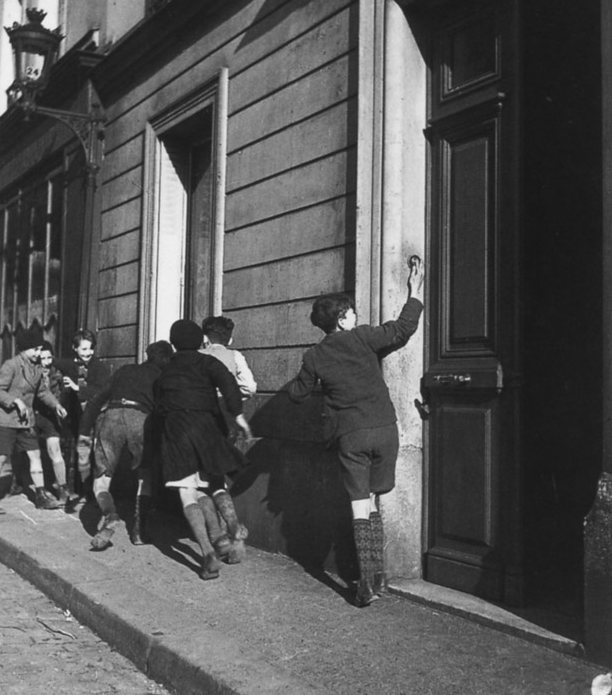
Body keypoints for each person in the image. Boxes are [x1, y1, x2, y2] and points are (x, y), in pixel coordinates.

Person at [287, 256, 424, 607]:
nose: (355, 315)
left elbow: (297, 394)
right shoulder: (364, 338)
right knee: (377, 500)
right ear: (342, 319)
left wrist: (318, 381)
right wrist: (415, 292)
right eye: (350, 312)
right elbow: (401, 330)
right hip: (384, 428)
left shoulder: (314, 355)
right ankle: (380, 578)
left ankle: (366, 583)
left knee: (359, 506)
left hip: (350, 435)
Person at [154, 319, 253, 580]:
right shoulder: (207, 362)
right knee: (215, 481)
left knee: (188, 493)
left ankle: (207, 552)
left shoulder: (166, 369)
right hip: (207, 425)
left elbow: (158, 401)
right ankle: (232, 527)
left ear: (173, 343)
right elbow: (229, 384)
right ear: (200, 341)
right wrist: (238, 415)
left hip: (177, 429)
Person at [80, 340, 174, 551]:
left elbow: (97, 399)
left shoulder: (125, 369)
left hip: (111, 416)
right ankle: (139, 532)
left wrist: (84, 432)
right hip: (141, 419)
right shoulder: (163, 377)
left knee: (101, 480)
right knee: (145, 475)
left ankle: (110, 514)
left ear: (147, 355)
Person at [0, 325, 68, 514]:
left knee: (34, 454)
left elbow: (42, 392)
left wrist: (57, 406)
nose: (39, 352)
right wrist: (15, 402)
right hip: (6, 419)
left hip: (24, 421)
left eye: (39, 349)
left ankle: (40, 496)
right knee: (1, 458)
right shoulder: (11, 365)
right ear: (24, 349)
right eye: (35, 349)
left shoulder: (36, 368)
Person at [198, 315, 257, 561]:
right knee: (217, 476)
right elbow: (250, 387)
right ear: (230, 338)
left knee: (201, 481)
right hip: (227, 420)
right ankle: (232, 534)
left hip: (201, 418)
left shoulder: (198, 356)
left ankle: (220, 535)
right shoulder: (235, 356)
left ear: (204, 337)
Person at [55, 329, 109, 498]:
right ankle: (70, 489)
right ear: (74, 348)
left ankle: (89, 492)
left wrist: (78, 388)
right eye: (84, 349)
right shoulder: (70, 364)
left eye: (91, 349)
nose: (88, 353)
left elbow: (102, 390)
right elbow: (52, 361)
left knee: (89, 453)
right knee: (71, 451)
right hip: (73, 416)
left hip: (93, 417)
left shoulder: (99, 367)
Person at [34, 341, 71, 505]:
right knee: (28, 452)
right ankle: (20, 482)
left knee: (54, 449)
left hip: (50, 416)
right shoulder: (31, 373)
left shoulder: (58, 374)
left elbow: (63, 395)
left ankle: (63, 488)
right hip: (32, 415)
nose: (47, 362)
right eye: (43, 358)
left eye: (50, 357)